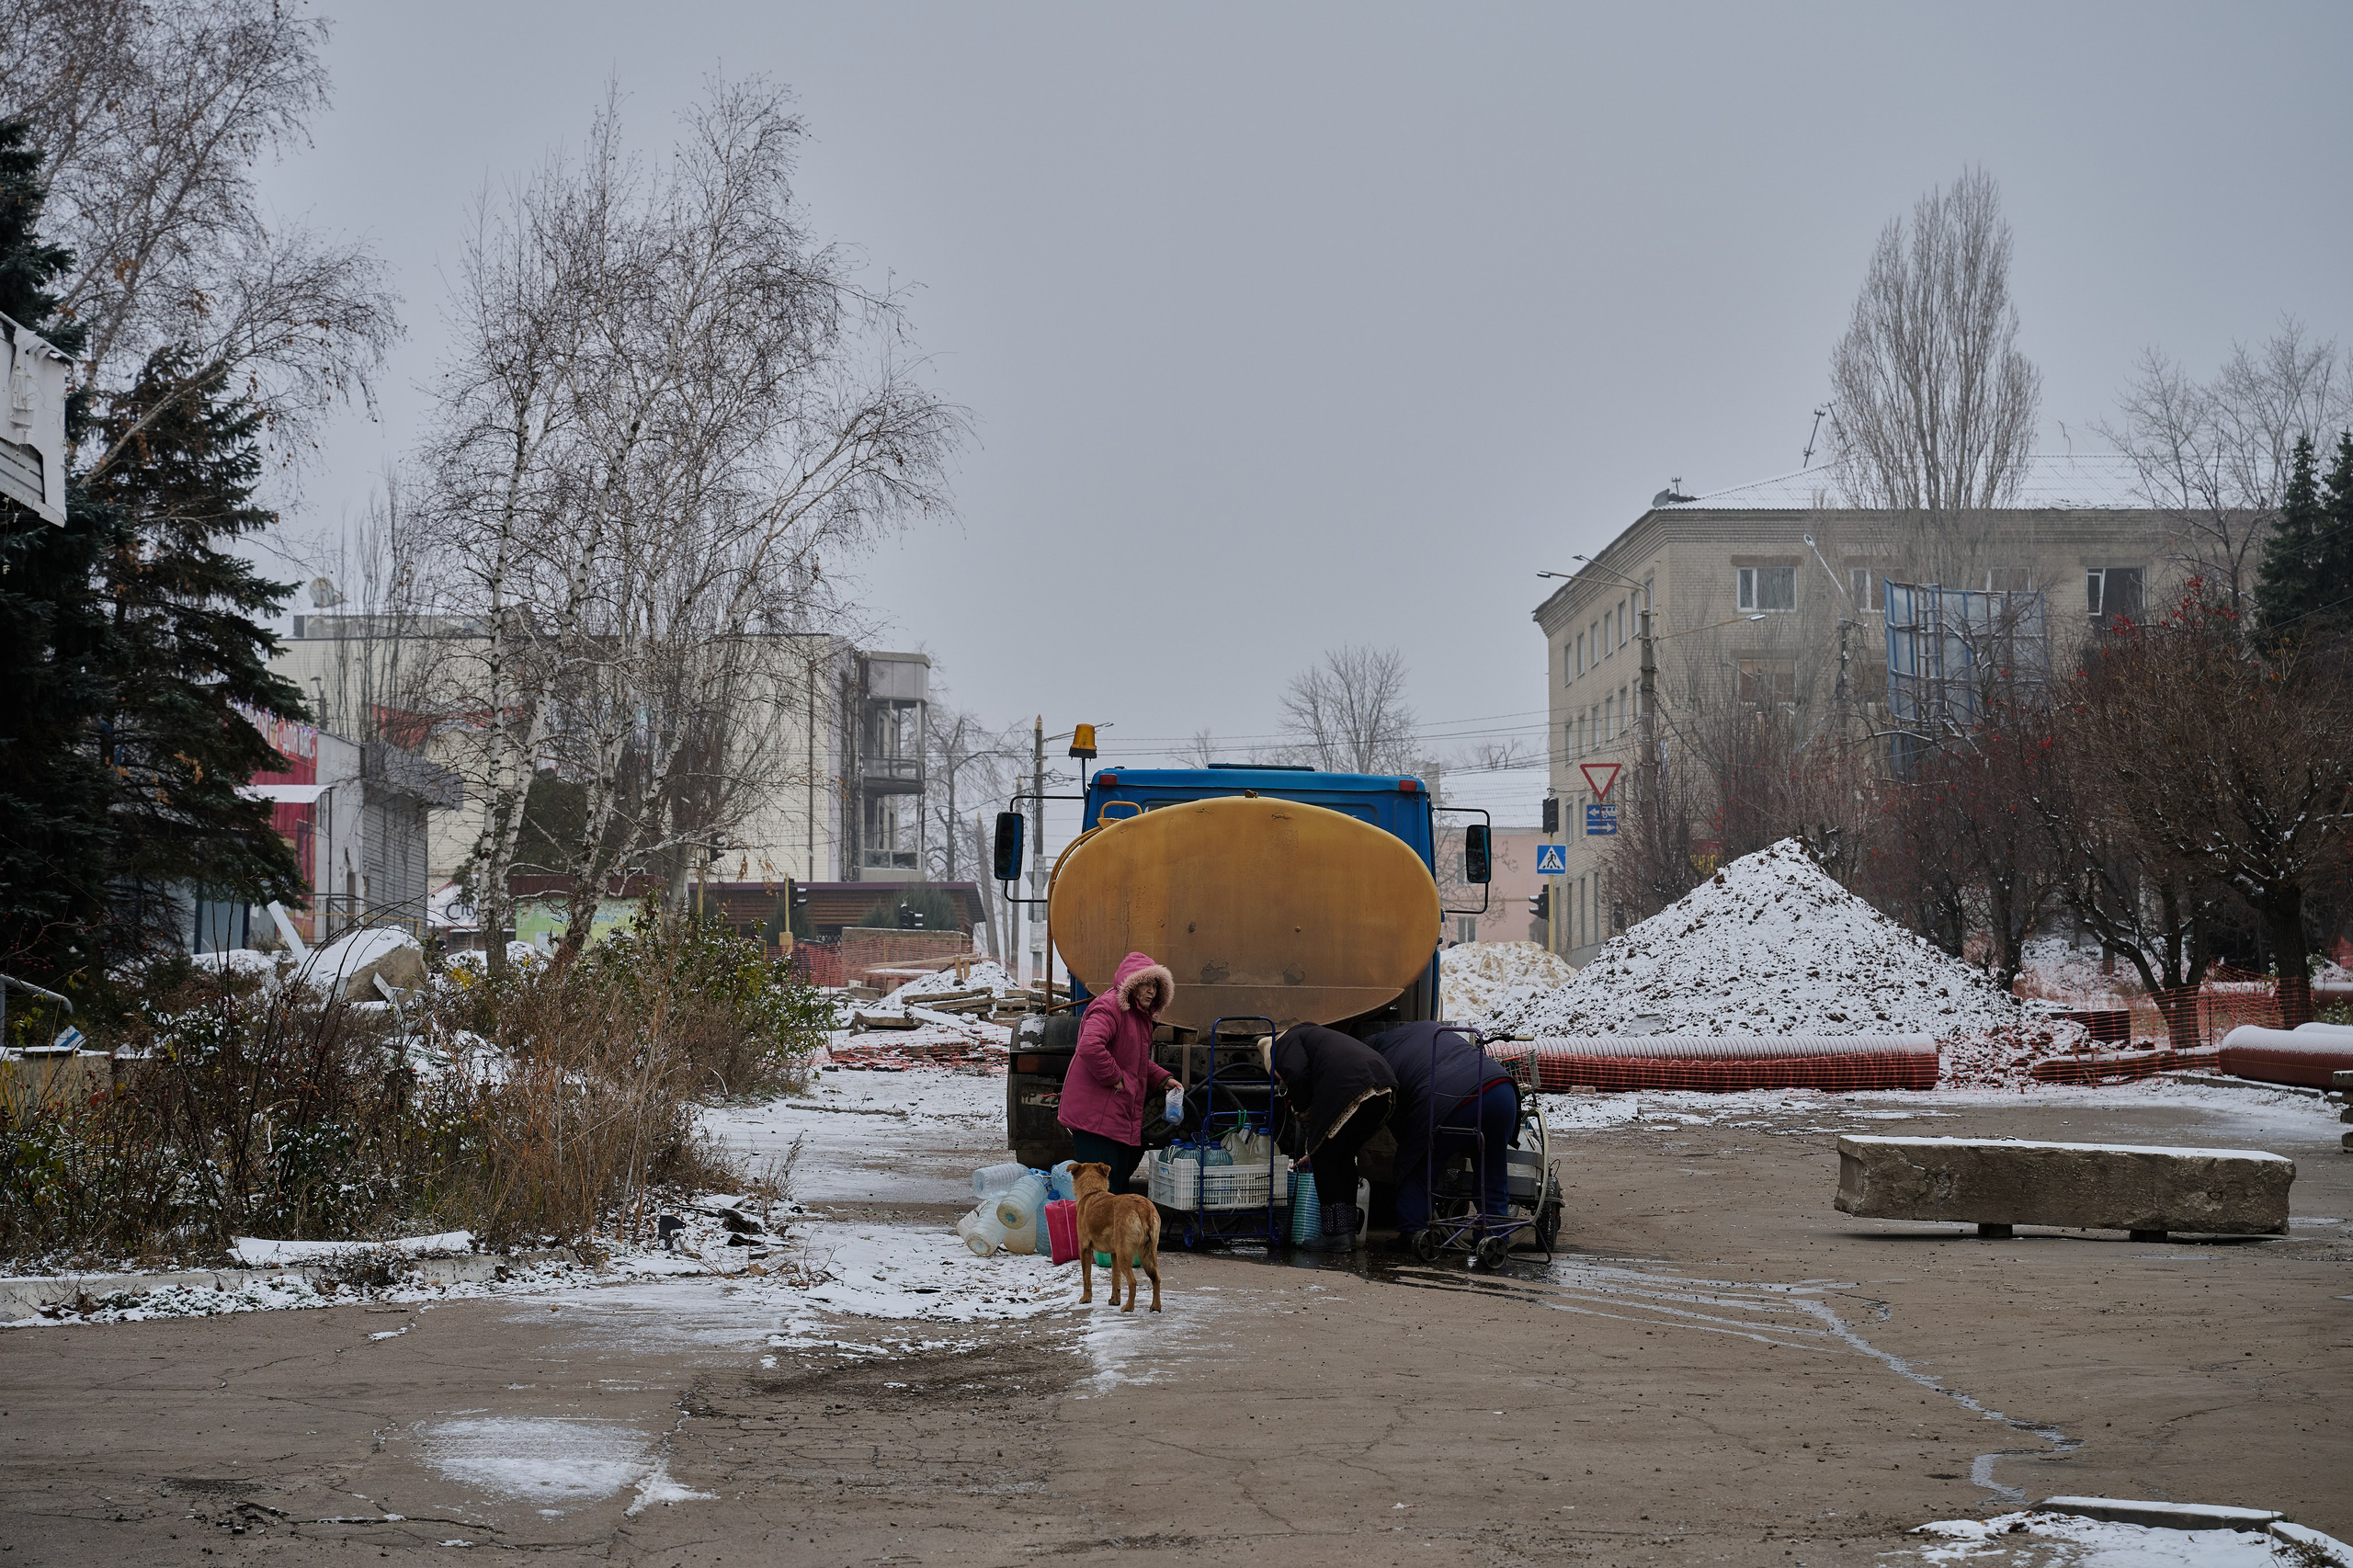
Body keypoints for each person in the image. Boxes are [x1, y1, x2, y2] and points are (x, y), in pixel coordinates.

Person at [1368, 1020, 1518, 1238]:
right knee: (1492, 1173)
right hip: (1501, 1089)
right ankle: (1494, 1237)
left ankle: (1414, 1233)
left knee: (1414, 1166)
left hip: (1452, 1098)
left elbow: (1394, 1113)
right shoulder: (1426, 1029)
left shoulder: (1380, 1060)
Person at [1057, 950, 1181, 1196]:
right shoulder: (1110, 1006)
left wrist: (1162, 1078)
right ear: (1132, 983)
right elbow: (1090, 1046)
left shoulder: (1138, 1016)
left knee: (1116, 1188)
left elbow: (1133, 1061)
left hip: (1113, 1116)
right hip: (1095, 1119)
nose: (1151, 991)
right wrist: (1114, 1077)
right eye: (1145, 984)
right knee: (1099, 1193)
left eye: (1155, 986)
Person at [1264, 1023, 1395, 1251]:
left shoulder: (1281, 1044)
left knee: (1323, 1156)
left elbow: (1296, 1074)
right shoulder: (1314, 1036)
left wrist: (1301, 1109)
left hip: (1352, 1084)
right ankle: (1347, 1233)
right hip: (1383, 1086)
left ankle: (1334, 1234)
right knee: (1343, 1155)